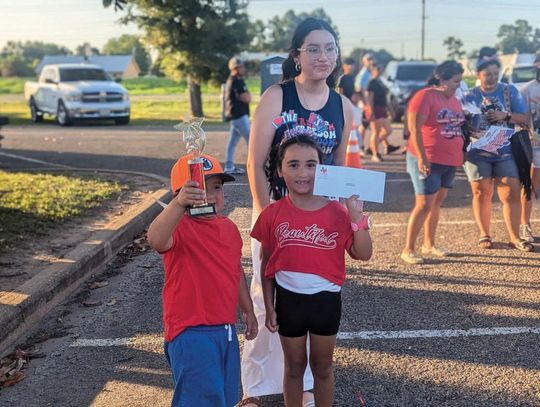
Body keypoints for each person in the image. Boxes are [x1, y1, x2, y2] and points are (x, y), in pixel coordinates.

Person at [242, 17, 353, 407]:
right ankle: (254, 389)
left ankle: (303, 388)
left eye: (330, 48)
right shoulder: (277, 96)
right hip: (277, 217)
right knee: (264, 301)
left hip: (318, 224)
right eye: (314, 49)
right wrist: (263, 214)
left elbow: (337, 173)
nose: (323, 56)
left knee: (307, 304)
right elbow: (255, 163)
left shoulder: (344, 106)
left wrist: (346, 217)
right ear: (297, 55)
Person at [252, 134, 373, 406]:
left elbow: (363, 254)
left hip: (325, 302)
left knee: (322, 367)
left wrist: (357, 221)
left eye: (311, 165)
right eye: (293, 165)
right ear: (280, 170)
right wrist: (269, 306)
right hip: (289, 302)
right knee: (294, 367)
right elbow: (267, 263)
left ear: (322, 169)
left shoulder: (338, 212)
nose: (303, 172)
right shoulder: (272, 214)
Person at [147, 154, 258, 407]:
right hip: (190, 331)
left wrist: (248, 309)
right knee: (199, 399)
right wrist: (177, 207)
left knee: (225, 396)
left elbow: (234, 269)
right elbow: (155, 239)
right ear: (181, 194)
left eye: (217, 187)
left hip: (225, 329)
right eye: (199, 188)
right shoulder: (179, 227)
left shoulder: (228, 227)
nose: (210, 195)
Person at [462, 47, 534, 252]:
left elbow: (525, 118)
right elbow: (460, 121)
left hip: (506, 151)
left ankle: (514, 237)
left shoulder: (509, 91)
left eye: (495, 73)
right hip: (477, 153)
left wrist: (505, 116)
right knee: (481, 193)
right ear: (478, 75)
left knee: (510, 193)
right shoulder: (469, 96)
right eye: (487, 74)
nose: (492, 78)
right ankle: (484, 234)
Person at [400, 61, 466, 264]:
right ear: (443, 80)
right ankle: (408, 249)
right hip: (428, 158)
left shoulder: (454, 101)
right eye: (456, 81)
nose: (458, 86)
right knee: (424, 204)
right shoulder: (425, 96)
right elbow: (414, 129)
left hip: (449, 161)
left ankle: (429, 243)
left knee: (436, 202)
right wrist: (422, 157)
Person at [519, 53, 540, 243]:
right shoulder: (527, 90)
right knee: (531, 186)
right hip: (536, 148)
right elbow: (522, 120)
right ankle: (524, 224)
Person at [224, 56, 251, 174]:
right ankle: (255, 167)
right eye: (240, 67)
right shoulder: (237, 81)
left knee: (232, 143)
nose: (243, 68)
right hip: (240, 116)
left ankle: (229, 167)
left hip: (236, 116)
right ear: (235, 68)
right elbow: (246, 98)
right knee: (252, 141)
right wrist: (248, 96)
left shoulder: (232, 80)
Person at [366, 64, 400, 161]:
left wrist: (391, 110)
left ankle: (372, 147)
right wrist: (371, 110)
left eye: (380, 69)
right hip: (376, 108)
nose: (379, 71)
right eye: (377, 69)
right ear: (373, 71)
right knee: (375, 132)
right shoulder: (371, 82)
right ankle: (375, 154)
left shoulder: (381, 82)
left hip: (383, 108)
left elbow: (386, 98)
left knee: (388, 130)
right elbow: (370, 98)